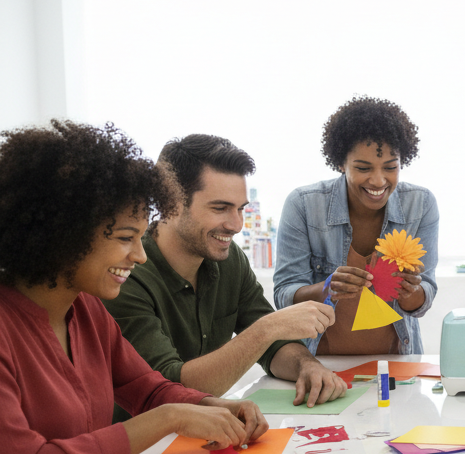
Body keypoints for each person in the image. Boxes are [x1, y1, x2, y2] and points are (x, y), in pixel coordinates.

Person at [0, 121, 267, 454]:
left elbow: (146, 387)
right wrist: (170, 418)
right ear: (64, 235)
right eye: (126, 238)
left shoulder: (86, 309)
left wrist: (212, 407)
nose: (140, 256)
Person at [103, 135, 346, 410]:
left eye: (241, 209)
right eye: (220, 208)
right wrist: (266, 329)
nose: (236, 225)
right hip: (146, 448)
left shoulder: (229, 261)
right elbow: (167, 392)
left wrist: (307, 367)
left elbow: (273, 347)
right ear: (170, 203)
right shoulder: (125, 275)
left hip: (203, 433)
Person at [274, 96, 438, 355]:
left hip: (396, 363)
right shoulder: (304, 205)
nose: (378, 180)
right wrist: (327, 287)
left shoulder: (420, 204)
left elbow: (424, 294)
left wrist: (411, 292)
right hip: (321, 365)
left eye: (391, 167)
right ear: (341, 163)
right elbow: (284, 295)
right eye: (363, 168)